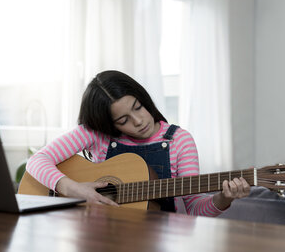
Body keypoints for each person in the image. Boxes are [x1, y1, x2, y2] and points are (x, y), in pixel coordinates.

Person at [26, 70, 250, 216]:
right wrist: (73, 188)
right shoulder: (97, 135)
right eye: (123, 120)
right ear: (109, 125)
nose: (139, 121)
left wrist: (222, 199)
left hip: (163, 242)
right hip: (101, 238)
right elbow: (36, 161)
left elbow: (193, 209)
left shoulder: (180, 141)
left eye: (138, 107)